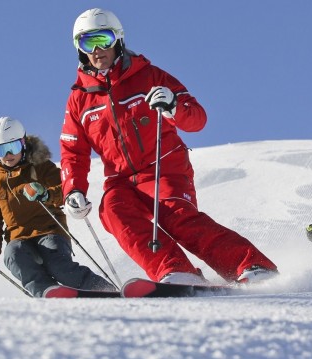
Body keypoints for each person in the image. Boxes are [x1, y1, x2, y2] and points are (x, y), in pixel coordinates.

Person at [58, 8, 278, 285]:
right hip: (121, 180)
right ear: (79, 48)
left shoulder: (149, 76)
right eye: (88, 42)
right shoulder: (79, 99)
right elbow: (73, 151)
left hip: (164, 168)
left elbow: (197, 118)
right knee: (112, 211)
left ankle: (254, 266)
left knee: (177, 218)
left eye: (104, 38)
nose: (98, 49)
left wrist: (173, 106)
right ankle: (177, 272)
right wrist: (73, 189)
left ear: (118, 40)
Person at [0, 116, 115, 298]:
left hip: (49, 230)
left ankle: (104, 290)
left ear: (23, 143)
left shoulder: (41, 166)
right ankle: (48, 294)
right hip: (18, 238)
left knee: (58, 264)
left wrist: (46, 194)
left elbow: (64, 189)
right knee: (13, 256)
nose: (7, 155)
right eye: (0, 149)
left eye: (13, 147)